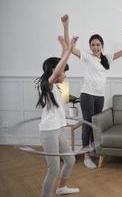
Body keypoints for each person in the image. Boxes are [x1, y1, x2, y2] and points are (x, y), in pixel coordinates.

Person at [61, 14, 122, 169]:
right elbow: (69, 47)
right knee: (87, 124)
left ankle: (91, 151)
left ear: (102, 46)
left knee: (94, 124)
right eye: (92, 45)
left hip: (100, 96)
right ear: (90, 47)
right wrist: (66, 26)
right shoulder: (87, 57)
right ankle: (86, 156)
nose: (95, 47)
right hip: (87, 94)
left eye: (98, 44)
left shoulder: (108, 58)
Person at [35, 20, 80, 196]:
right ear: (55, 71)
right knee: (53, 169)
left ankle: (61, 188)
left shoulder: (60, 87)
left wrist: (66, 29)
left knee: (70, 160)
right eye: (63, 70)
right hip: (48, 131)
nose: (65, 73)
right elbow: (59, 67)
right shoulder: (48, 85)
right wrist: (68, 49)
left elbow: (60, 65)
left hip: (59, 128)